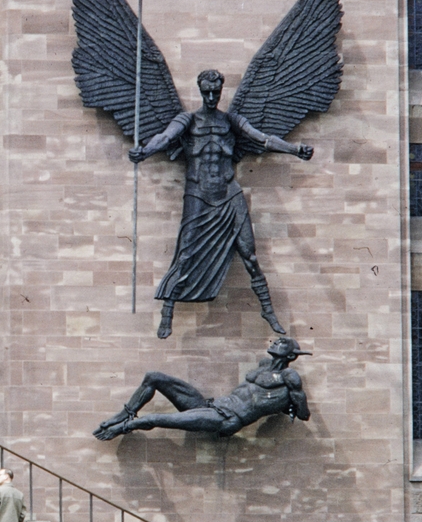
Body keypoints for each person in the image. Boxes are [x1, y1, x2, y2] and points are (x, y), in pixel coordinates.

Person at [129, 69, 314, 337]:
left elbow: (262, 138)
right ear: (200, 90)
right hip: (198, 193)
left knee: (250, 255)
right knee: (186, 254)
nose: (211, 97)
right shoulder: (187, 120)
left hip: (229, 193)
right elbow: (166, 137)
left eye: (216, 93)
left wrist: (294, 150)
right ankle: (167, 313)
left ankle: (268, 311)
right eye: (207, 92)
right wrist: (145, 151)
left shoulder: (232, 121)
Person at [93, 336, 312, 441]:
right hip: (210, 405)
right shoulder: (263, 365)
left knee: (156, 418)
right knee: (154, 377)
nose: (276, 341)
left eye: (282, 342)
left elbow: (303, 413)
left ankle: (120, 428)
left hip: (227, 418)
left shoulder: (289, 377)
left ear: (290, 355)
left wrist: (289, 405)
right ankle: (124, 414)